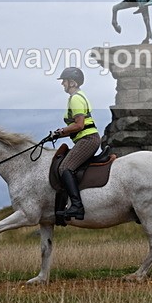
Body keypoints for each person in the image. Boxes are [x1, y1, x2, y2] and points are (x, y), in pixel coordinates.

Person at [52, 67, 100, 221]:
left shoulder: (76, 99)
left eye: (64, 81)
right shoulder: (77, 97)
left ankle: (77, 206)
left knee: (65, 167)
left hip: (88, 139)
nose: (62, 84)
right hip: (85, 138)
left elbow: (79, 125)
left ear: (71, 82)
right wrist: (59, 133)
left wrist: (61, 131)